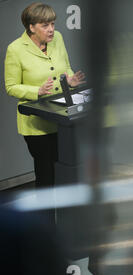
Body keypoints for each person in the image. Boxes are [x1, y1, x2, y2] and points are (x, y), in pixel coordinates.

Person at [4, 2, 85, 192]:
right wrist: (36, 91)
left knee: (66, 173)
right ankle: (46, 219)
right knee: (47, 176)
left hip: (62, 118)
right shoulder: (15, 49)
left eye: (53, 24)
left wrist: (70, 79)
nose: (51, 30)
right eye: (45, 25)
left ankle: (67, 217)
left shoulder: (58, 37)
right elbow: (11, 87)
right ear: (31, 27)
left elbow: (65, 68)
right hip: (37, 125)